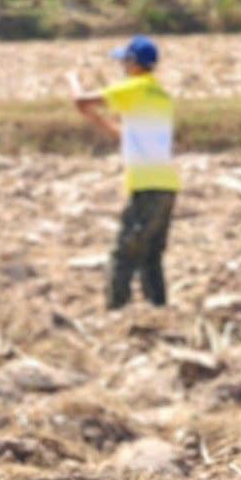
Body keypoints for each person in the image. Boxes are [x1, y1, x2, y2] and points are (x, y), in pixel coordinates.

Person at [72, 35, 180, 309]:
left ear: (134, 63)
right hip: (167, 185)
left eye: (124, 62)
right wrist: (96, 119)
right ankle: (159, 307)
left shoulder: (134, 87)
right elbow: (127, 135)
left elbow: (82, 100)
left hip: (145, 185)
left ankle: (116, 310)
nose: (122, 67)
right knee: (151, 255)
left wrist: (72, 80)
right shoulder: (161, 95)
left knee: (124, 253)